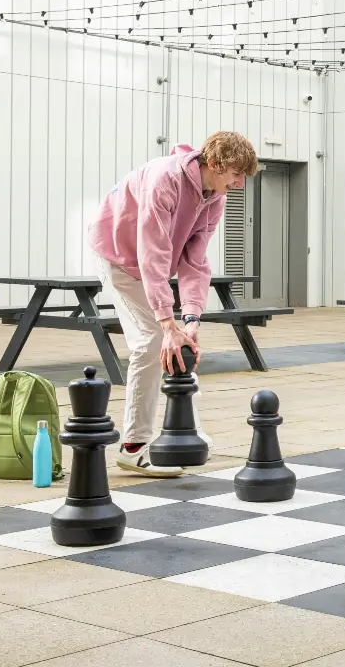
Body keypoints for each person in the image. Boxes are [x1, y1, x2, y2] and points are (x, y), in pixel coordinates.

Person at [89, 131, 259, 477]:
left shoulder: (215, 196)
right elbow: (152, 252)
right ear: (214, 164)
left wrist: (192, 317)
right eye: (235, 174)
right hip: (119, 256)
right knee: (153, 342)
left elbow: (195, 260)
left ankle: (184, 432)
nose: (240, 183)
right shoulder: (164, 180)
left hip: (148, 261)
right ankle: (134, 446)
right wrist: (167, 321)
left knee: (182, 342)